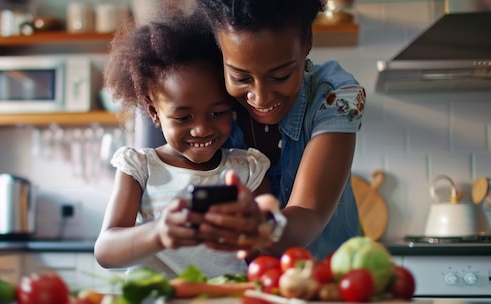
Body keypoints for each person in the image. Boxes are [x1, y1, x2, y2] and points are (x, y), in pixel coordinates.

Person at [94, 11, 270, 279]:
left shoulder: (248, 169)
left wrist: (252, 231)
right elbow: (105, 251)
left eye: (217, 113)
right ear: (154, 112)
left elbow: (265, 252)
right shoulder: (140, 168)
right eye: (183, 117)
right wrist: (159, 231)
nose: (201, 129)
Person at [192, 0, 366, 260]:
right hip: (250, 286)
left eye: (280, 76)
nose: (260, 99)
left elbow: (309, 212)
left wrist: (262, 228)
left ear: (307, 41)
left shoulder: (336, 95)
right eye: (240, 78)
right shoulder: (207, 105)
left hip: (334, 282)